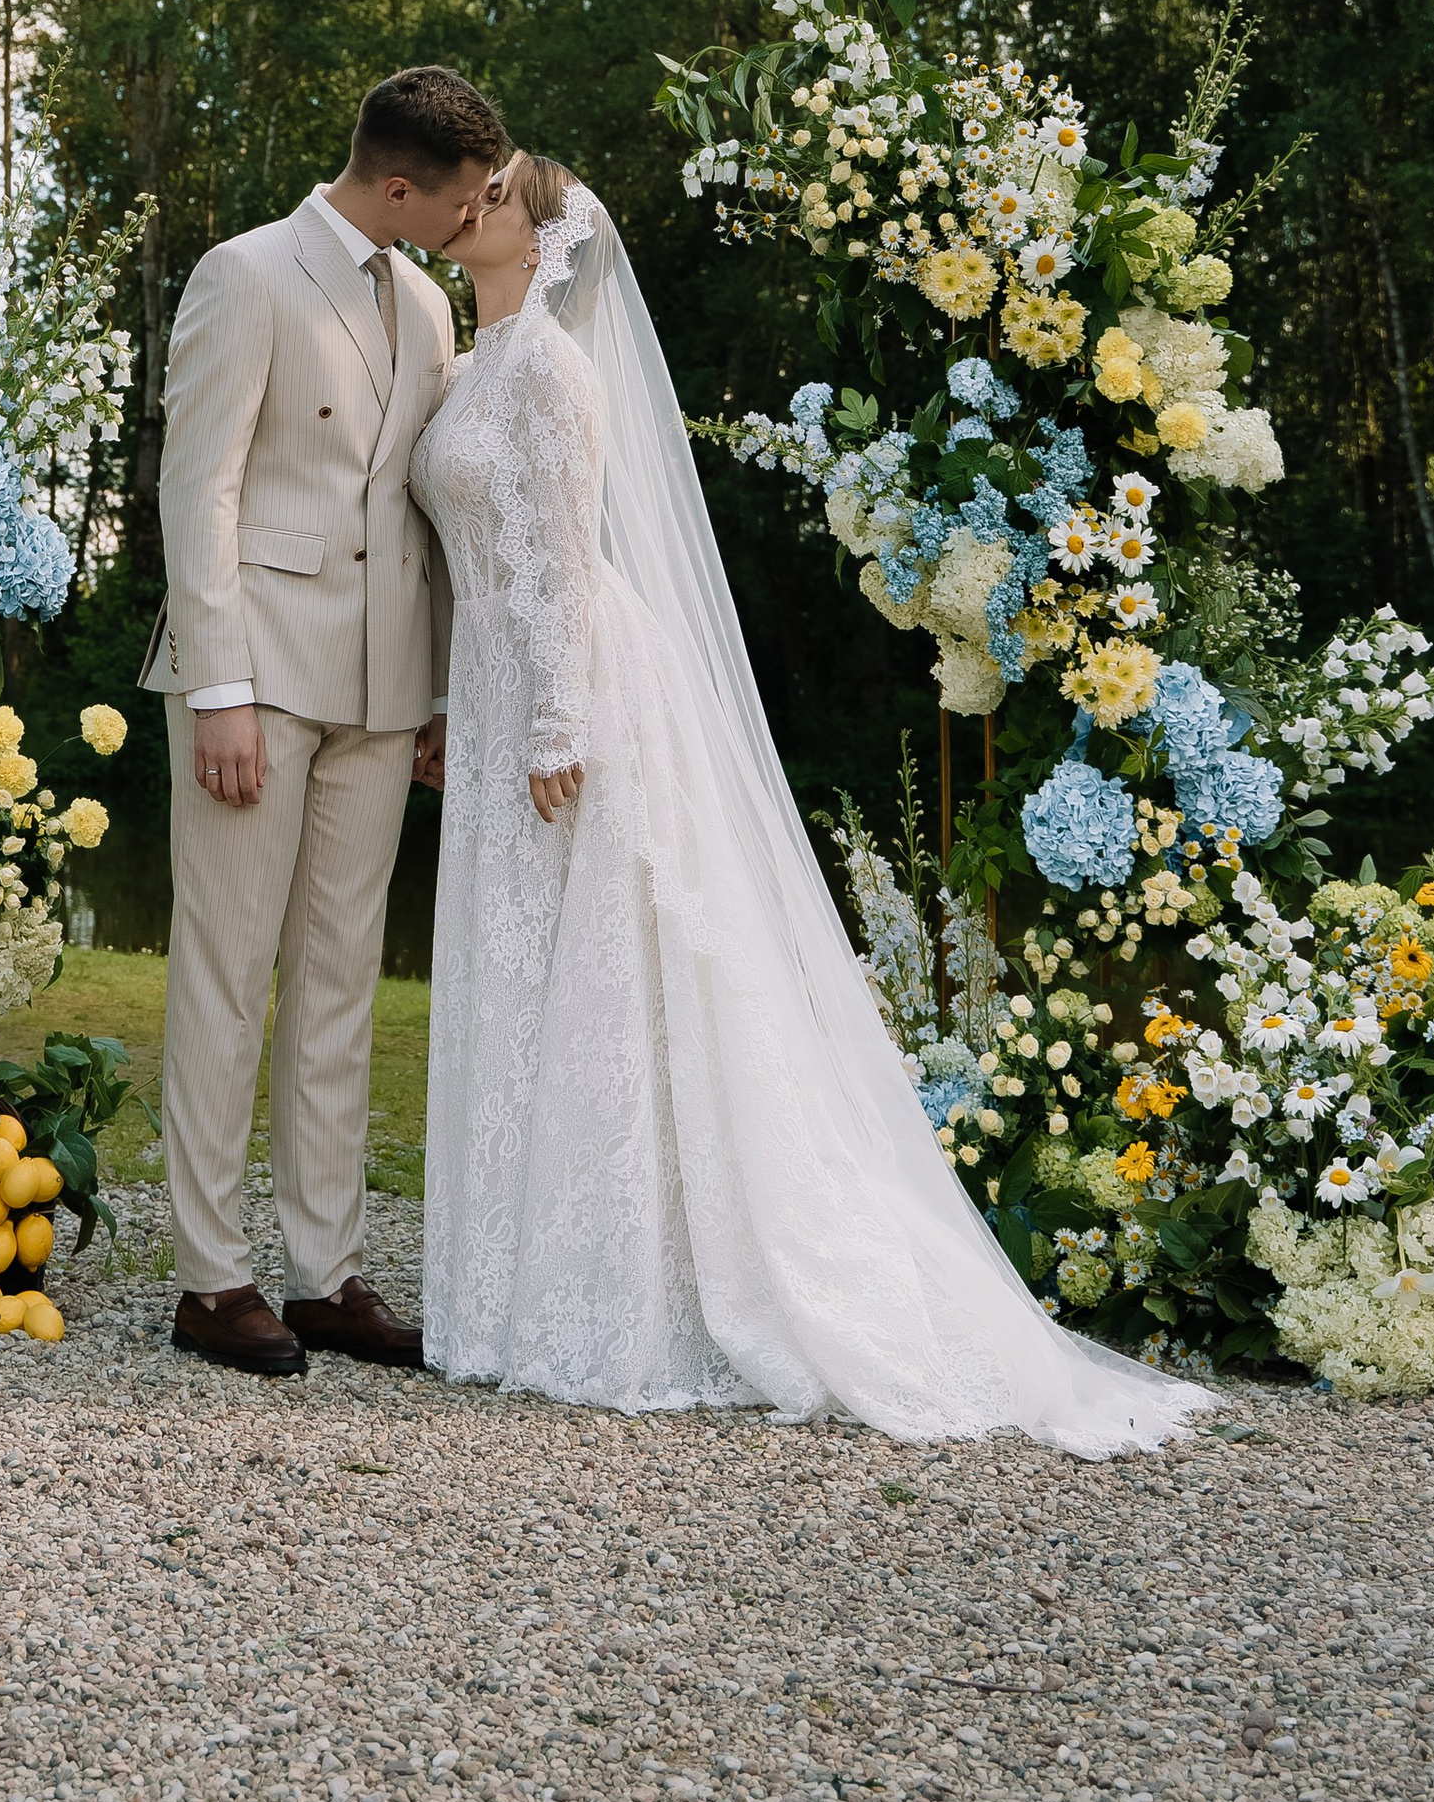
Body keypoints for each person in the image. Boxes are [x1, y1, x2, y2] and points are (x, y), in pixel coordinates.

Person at [409, 150, 1202, 1453]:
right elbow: (477, 564)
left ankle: (621, 1294)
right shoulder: (472, 365)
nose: (470, 205)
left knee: (605, 967)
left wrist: (557, 719)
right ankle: (511, 1293)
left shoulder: (551, 369)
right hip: (494, 685)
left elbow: (559, 555)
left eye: (496, 195)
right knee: (522, 963)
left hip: (573, 689)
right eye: (473, 189)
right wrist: (462, 705)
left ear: (543, 242)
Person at [142, 64, 504, 1377]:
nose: (472, 223)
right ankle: (209, 1277)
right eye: (459, 201)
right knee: (227, 973)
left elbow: (434, 510)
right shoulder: (245, 276)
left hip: (382, 688)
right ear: (399, 185)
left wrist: (446, 689)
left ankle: (324, 1271)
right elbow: (203, 495)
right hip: (261, 683)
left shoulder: (423, 298)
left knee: (344, 983)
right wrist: (219, 688)